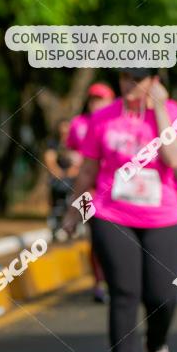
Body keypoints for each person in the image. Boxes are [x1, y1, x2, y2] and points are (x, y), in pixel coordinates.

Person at [62, 68, 177, 352]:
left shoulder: (171, 113)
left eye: (138, 78)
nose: (129, 84)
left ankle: (156, 347)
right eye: (124, 77)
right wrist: (72, 211)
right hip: (112, 213)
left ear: (154, 81)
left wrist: (159, 109)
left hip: (161, 216)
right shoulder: (103, 117)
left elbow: (175, 160)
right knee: (124, 292)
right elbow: (89, 169)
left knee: (162, 296)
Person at [66, 82, 114, 303]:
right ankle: (99, 282)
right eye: (93, 99)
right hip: (87, 190)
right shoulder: (79, 123)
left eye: (101, 98)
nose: (96, 103)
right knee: (96, 236)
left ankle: (117, 279)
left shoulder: (116, 123)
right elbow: (68, 150)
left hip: (112, 192)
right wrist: (73, 159)